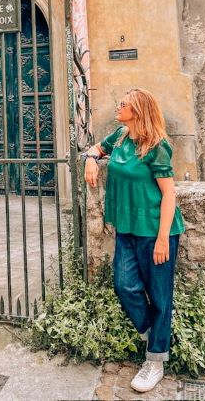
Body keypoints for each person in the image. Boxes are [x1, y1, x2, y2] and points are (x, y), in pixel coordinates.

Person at [82, 87, 185, 393]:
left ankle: (155, 360)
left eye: (124, 104)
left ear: (138, 111)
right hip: (126, 229)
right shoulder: (121, 136)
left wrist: (164, 238)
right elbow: (99, 147)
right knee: (124, 285)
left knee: (160, 295)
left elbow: (169, 193)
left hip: (155, 230)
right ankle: (153, 330)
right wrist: (90, 156)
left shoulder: (157, 146)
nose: (118, 106)